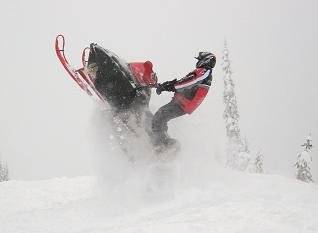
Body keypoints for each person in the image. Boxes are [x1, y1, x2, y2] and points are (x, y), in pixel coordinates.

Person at [151, 52, 216, 150]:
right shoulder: (202, 72)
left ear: (206, 60)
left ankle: (163, 146)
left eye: (199, 59)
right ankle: (164, 142)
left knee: (159, 117)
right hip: (181, 102)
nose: (198, 62)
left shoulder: (205, 71)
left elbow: (189, 82)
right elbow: (186, 82)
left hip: (183, 103)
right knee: (160, 117)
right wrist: (169, 85)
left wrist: (171, 86)